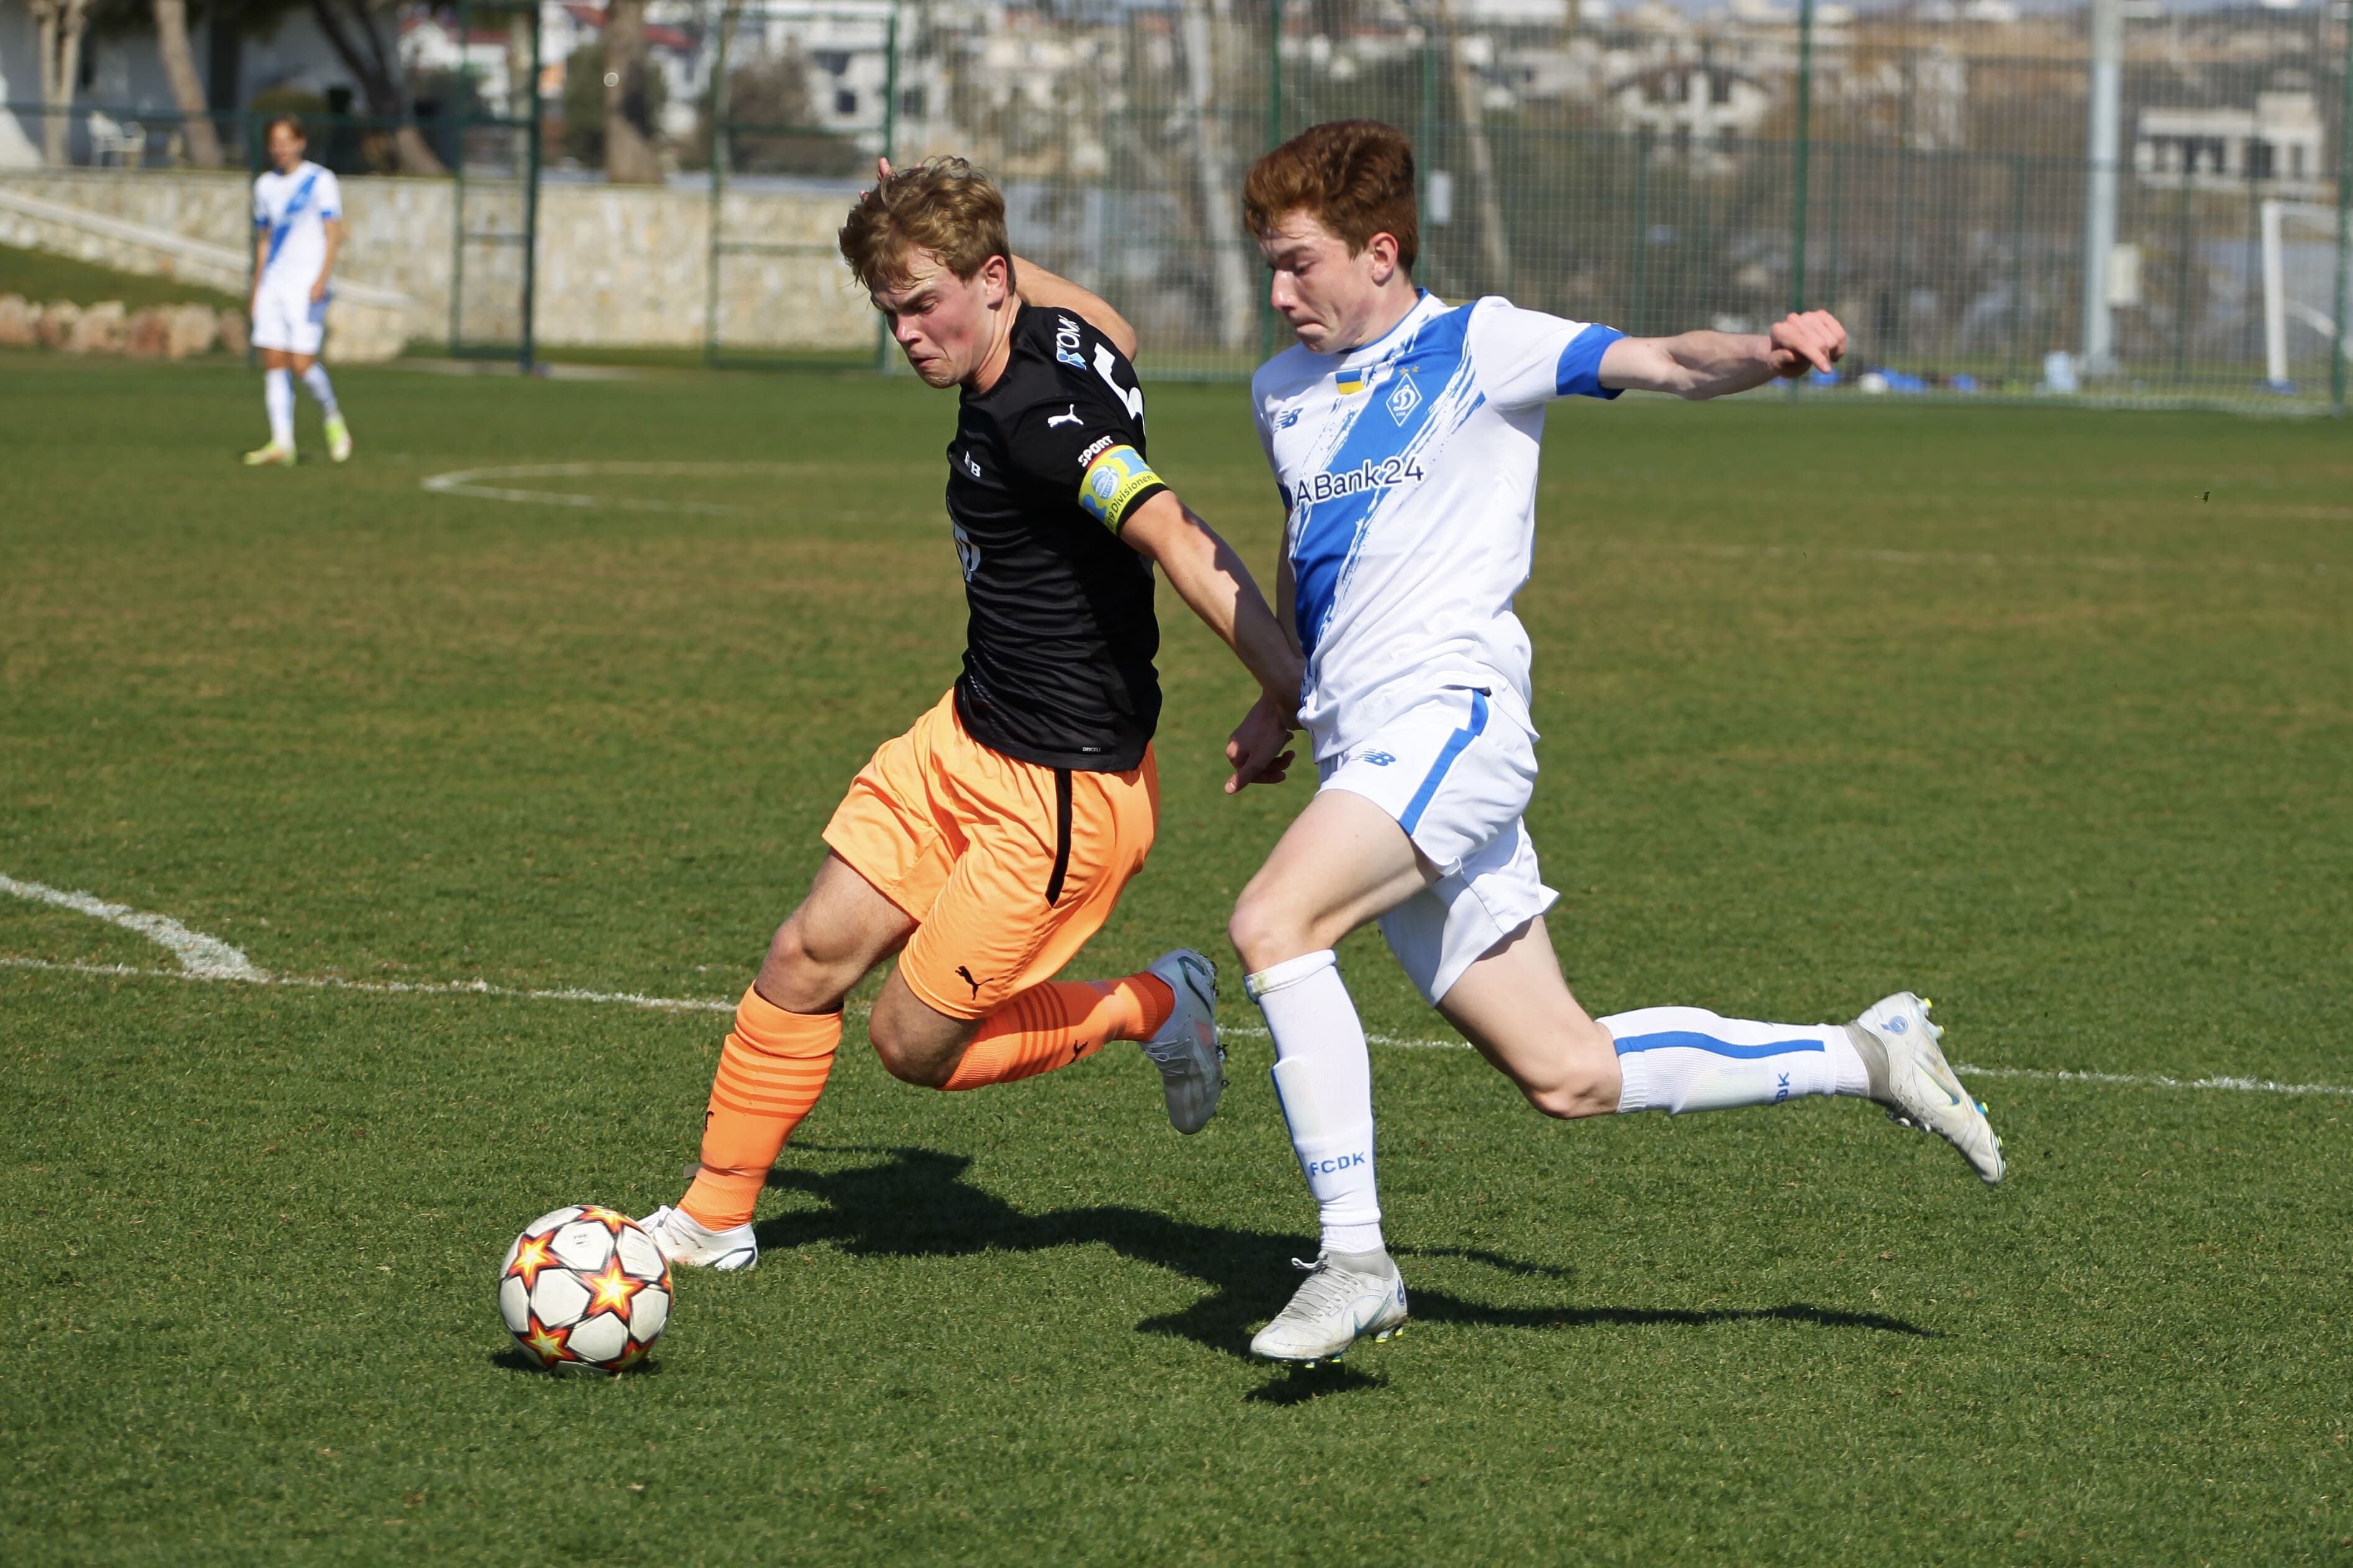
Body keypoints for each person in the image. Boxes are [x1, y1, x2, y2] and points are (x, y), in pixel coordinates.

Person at [1216, 121, 2005, 1365]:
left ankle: (1353, 1258)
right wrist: (1283, 696)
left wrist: (1762, 349)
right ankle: (1864, 1052)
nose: (1276, 291)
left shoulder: (1475, 344)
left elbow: (1665, 362)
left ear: (1378, 252)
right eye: (1268, 262)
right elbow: (1309, 550)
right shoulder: (1279, 391)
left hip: (1452, 723)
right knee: (1566, 1070)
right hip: (1361, 747)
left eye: (1296, 262)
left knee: (1274, 925)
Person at [638, 157, 1304, 1273]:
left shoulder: (1041, 422)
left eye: (923, 302)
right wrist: (939, 230)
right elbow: (1121, 328)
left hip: (1060, 795)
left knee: (911, 1045)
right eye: (889, 309)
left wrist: (1290, 690)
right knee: (804, 954)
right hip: (965, 735)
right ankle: (711, 1217)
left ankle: (1154, 1002)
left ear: (993, 281)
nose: (906, 332)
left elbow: (1179, 536)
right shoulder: (1056, 331)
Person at [243, 116, 352, 467]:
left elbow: (333, 232)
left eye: (287, 140)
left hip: (307, 285)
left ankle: (332, 416)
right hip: (274, 283)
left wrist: (322, 277)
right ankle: (282, 443)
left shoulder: (320, 181)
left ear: (301, 142)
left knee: (302, 363)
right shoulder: (264, 186)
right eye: (275, 141)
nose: (280, 148)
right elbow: (265, 240)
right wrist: (257, 288)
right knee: (274, 361)